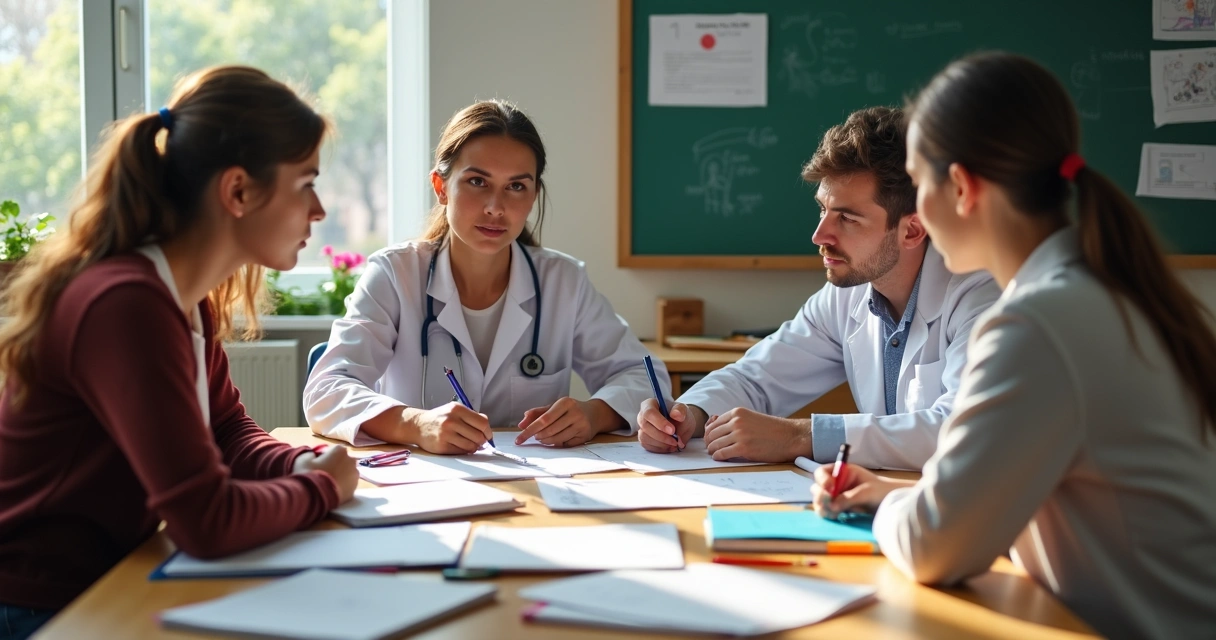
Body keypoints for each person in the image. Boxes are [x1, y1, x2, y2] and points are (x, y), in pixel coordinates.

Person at [811, 52, 1216, 639]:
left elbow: (935, 548)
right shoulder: (1097, 288)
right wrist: (892, 495)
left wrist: (892, 507)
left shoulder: (1037, 323)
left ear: (961, 188)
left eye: (921, 187)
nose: (918, 214)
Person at [0, 66, 359, 640]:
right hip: (42, 608)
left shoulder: (184, 299)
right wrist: (323, 487)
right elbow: (206, 521)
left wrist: (296, 464)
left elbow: (228, 431)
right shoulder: (125, 304)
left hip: (111, 579)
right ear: (238, 190)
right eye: (305, 182)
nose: (317, 210)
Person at [637, 107, 999, 470]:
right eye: (822, 210)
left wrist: (800, 436)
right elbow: (758, 378)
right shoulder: (849, 294)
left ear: (912, 231)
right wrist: (690, 415)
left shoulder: (983, 297)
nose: (819, 236)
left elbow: (964, 429)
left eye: (847, 218)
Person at [305, 100, 666, 452]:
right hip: (421, 488)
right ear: (441, 187)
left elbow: (646, 378)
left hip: (534, 488)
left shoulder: (563, 281)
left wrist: (593, 414)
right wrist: (415, 423)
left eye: (516, 186)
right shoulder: (394, 275)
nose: (496, 207)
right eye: (478, 182)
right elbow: (326, 389)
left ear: (534, 195)